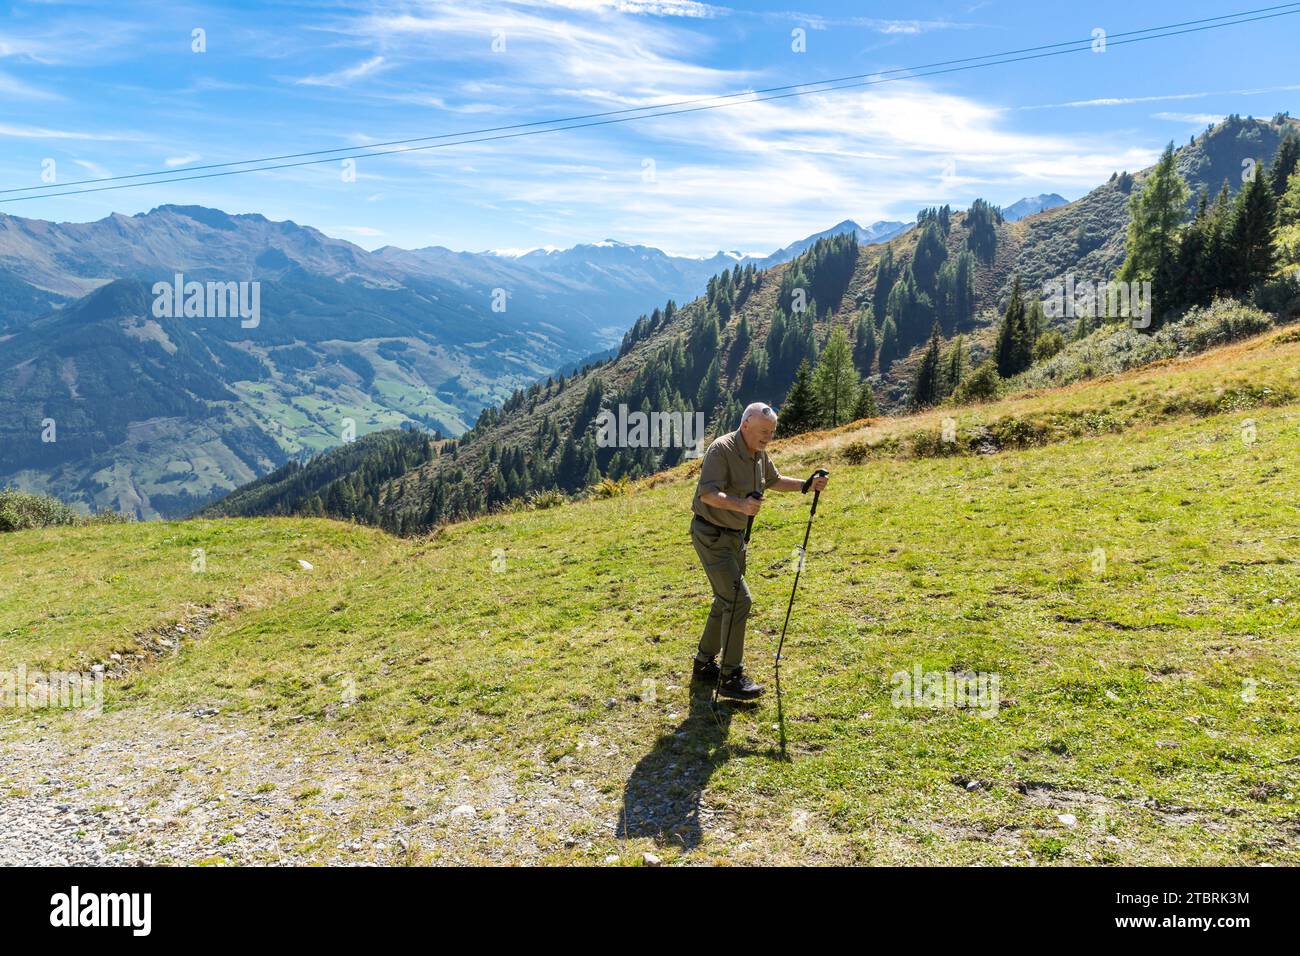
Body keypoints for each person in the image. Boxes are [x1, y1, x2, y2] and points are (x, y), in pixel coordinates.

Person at [689, 402, 829, 699]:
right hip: (712, 535)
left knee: (725, 598)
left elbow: (774, 481)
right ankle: (730, 676)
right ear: (746, 426)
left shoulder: (759, 454)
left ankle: (703, 664)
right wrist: (740, 504)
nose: (768, 438)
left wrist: (806, 485)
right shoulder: (721, 449)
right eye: (763, 432)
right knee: (738, 599)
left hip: (735, 536)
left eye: (772, 433)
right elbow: (707, 494)